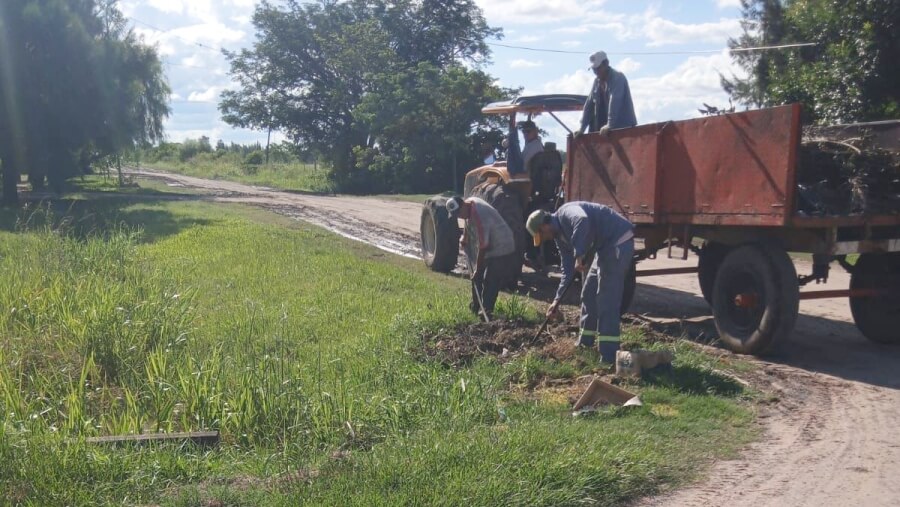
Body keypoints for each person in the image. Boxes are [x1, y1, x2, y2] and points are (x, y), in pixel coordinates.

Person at [526, 202, 634, 362]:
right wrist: (556, 301)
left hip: (617, 241)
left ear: (544, 226)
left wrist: (579, 255)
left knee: (606, 299)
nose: (545, 239)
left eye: (542, 235)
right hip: (602, 248)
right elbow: (567, 272)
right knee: (588, 294)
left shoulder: (567, 212)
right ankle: (585, 344)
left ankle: (609, 356)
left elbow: (582, 220)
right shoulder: (560, 239)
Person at [447, 196, 519, 318]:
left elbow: (483, 246)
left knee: (490, 278)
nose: (459, 216)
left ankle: (486, 311)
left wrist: (478, 269)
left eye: (459, 213)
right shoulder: (469, 205)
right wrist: (465, 236)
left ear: (464, 204)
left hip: (503, 244)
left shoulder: (481, 216)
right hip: (491, 242)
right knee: (476, 277)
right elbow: (467, 219)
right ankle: (476, 306)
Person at [575, 51, 637, 138]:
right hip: (606, 133)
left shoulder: (618, 77)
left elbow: (615, 100)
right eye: (594, 69)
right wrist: (582, 128)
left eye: (598, 68)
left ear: (606, 63)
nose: (596, 72)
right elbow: (589, 105)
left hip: (624, 131)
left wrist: (609, 125)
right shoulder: (596, 82)